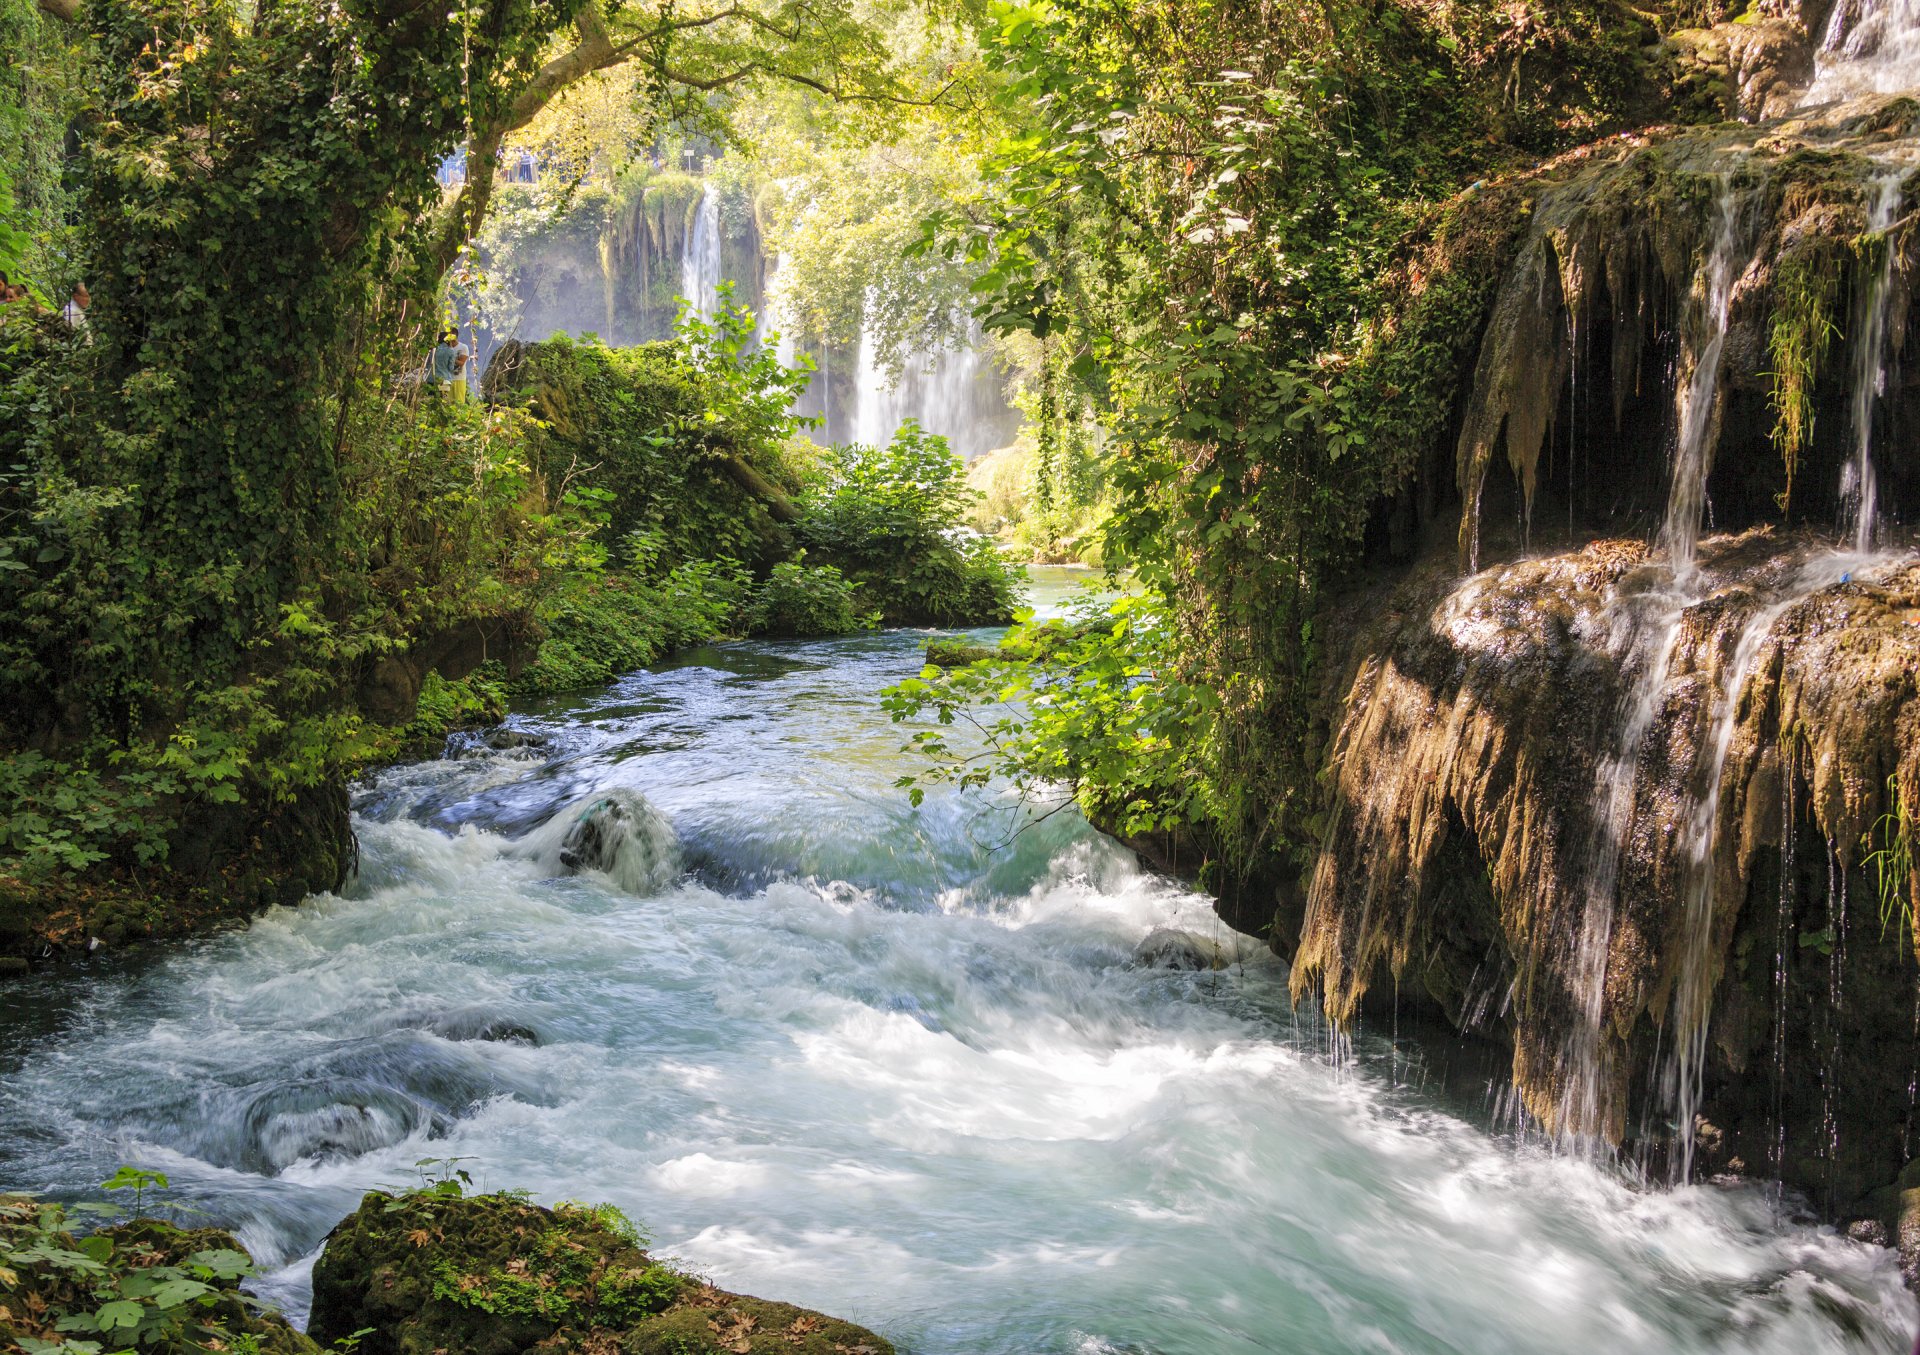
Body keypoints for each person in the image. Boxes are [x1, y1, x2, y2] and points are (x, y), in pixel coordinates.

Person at [428, 328, 470, 401]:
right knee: (447, 401)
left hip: (459, 378)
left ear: (455, 336)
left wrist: (450, 358)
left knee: (458, 400)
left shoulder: (463, 347)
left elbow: (462, 363)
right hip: (446, 379)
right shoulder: (447, 349)